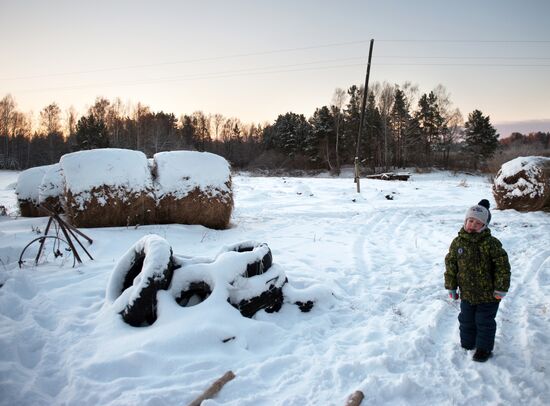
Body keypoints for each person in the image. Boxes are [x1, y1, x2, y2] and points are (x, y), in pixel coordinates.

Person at [444, 199, 511, 362]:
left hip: (489, 295)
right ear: (465, 221)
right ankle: (467, 343)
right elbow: (451, 264)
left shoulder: (491, 243)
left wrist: (501, 288)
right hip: (467, 293)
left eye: (478, 223)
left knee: (484, 322)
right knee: (466, 320)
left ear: (485, 226)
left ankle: (484, 349)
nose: (472, 225)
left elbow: (502, 266)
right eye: (470, 220)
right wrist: (451, 286)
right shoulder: (458, 242)